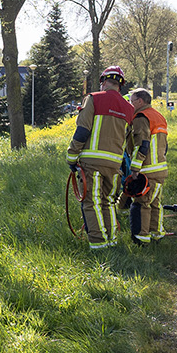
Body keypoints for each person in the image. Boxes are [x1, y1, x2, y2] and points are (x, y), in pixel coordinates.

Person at [66, 65, 139, 249]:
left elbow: (82, 130)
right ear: (119, 85)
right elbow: (130, 143)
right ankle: (112, 240)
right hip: (115, 165)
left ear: (103, 82)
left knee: (91, 202)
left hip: (92, 163)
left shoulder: (93, 98)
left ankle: (99, 245)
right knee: (107, 202)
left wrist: (71, 156)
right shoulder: (129, 108)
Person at [128, 87, 169, 244]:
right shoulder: (158, 116)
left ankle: (141, 238)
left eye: (132, 102)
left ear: (140, 101)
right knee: (155, 203)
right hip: (160, 168)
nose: (131, 105)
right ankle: (156, 235)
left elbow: (142, 144)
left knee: (143, 204)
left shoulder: (141, 117)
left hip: (147, 170)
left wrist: (135, 168)